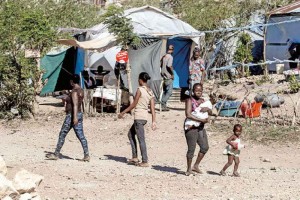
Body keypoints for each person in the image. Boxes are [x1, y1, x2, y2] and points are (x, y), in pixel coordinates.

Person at [46, 74, 90, 162]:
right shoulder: (81, 90)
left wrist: (74, 118)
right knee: (81, 136)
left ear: (72, 82)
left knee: (62, 134)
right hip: (79, 114)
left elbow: (75, 105)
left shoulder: (74, 91)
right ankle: (86, 155)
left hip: (72, 115)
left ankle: (56, 154)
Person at [118, 72, 156, 167]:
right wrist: (154, 121)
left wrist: (123, 112)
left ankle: (145, 160)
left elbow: (134, 104)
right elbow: (152, 108)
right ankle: (135, 157)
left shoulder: (140, 90)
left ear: (140, 80)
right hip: (144, 117)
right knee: (130, 134)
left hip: (138, 117)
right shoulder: (150, 91)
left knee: (141, 139)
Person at [184, 83, 212, 176]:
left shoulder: (203, 101)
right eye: (196, 91)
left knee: (204, 147)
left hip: (200, 127)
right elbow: (188, 114)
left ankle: (195, 166)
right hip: (191, 127)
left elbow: (210, 112)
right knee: (191, 149)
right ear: (193, 91)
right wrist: (201, 120)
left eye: (200, 91)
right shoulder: (189, 100)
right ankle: (188, 169)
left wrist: (207, 109)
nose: (198, 92)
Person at [160, 44, 175, 111]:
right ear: (172, 50)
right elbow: (169, 66)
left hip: (163, 76)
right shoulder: (170, 57)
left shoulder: (164, 56)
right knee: (169, 92)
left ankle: (163, 105)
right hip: (168, 76)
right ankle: (163, 102)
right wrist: (172, 74)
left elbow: (161, 65)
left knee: (165, 91)